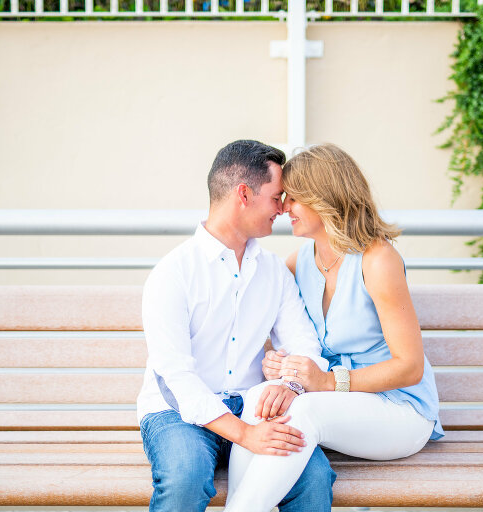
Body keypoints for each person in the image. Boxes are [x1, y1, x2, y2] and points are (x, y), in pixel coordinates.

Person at [225, 143, 445, 512]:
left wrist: (327, 382)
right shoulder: (299, 262)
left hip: (401, 410)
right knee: (261, 405)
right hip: (336, 406)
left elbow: (410, 366)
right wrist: (280, 365)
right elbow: (268, 330)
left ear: (323, 198)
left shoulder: (378, 261)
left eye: (293, 198)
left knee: (303, 414)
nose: (283, 208)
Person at [137, 139, 336, 512]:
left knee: (314, 479)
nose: (283, 208)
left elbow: (305, 346)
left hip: (252, 406)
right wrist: (245, 435)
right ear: (244, 194)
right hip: (178, 414)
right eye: (277, 196)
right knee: (185, 478)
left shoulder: (274, 272)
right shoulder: (173, 273)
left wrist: (291, 385)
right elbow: (175, 378)